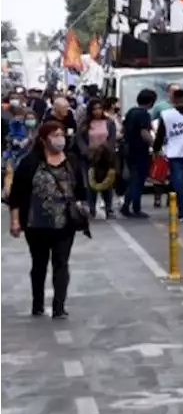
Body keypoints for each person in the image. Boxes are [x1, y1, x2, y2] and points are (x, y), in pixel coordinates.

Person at [8, 121, 89, 319]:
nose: (59, 138)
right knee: (39, 264)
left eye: (61, 134)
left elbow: (80, 190)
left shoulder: (71, 160)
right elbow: (16, 195)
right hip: (36, 223)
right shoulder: (30, 163)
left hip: (65, 222)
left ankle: (59, 306)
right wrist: (15, 221)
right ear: (44, 139)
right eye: (54, 134)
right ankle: (37, 303)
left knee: (61, 263)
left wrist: (83, 209)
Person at [153, 89, 183, 222]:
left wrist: (156, 150)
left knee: (178, 183)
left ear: (173, 100)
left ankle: (182, 213)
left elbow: (160, 135)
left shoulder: (167, 115)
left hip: (175, 153)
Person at [76, 99, 118, 219]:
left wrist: (106, 150)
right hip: (90, 158)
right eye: (94, 109)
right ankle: (91, 208)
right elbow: (79, 139)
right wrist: (86, 152)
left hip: (105, 158)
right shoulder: (84, 124)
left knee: (107, 183)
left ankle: (109, 208)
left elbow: (112, 139)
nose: (97, 111)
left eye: (99, 108)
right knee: (91, 184)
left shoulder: (109, 122)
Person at [121, 89, 156, 219]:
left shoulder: (131, 112)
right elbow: (144, 133)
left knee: (133, 178)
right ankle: (134, 207)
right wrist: (155, 145)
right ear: (151, 102)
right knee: (138, 180)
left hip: (129, 149)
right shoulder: (144, 115)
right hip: (140, 150)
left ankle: (128, 205)